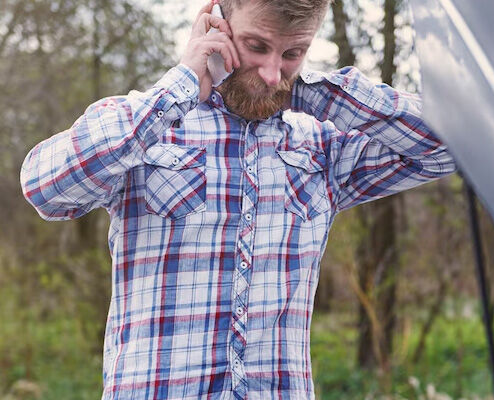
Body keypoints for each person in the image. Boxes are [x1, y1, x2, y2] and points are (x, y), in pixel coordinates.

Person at [20, 0, 456, 398]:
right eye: (257, 46)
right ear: (218, 24)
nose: (271, 73)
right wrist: (180, 86)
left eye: (292, 53)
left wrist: (312, 90)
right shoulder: (147, 127)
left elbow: (451, 148)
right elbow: (45, 188)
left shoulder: (322, 149)